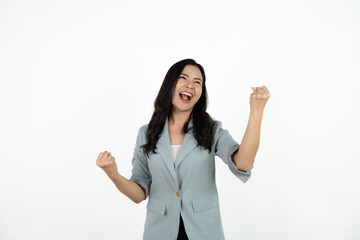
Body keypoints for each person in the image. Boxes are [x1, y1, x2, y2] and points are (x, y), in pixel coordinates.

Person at [96, 58, 270, 240]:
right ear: (170, 84)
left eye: (197, 82)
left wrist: (256, 112)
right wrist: (114, 175)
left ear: (201, 93)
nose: (190, 85)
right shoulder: (146, 133)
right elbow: (139, 193)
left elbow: (243, 163)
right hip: (159, 232)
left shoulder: (212, 130)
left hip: (204, 231)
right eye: (183, 78)